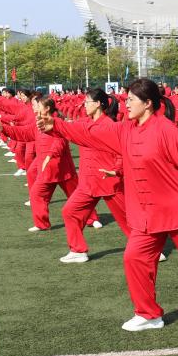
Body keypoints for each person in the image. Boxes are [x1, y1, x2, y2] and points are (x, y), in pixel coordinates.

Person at [38, 78, 178, 330]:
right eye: (127, 99)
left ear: (148, 103)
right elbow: (90, 134)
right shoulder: (125, 130)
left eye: (131, 100)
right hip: (145, 213)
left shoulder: (166, 130)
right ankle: (149, 314)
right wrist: (57, 126)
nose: (126, 104)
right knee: (134, 258)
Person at [0, 96, 97, 232]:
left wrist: (50, 155)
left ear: (47, 108)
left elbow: (60, 142)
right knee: (36, 195)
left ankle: (92, 218)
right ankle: (42, 224)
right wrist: (4, 129)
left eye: (38, 105)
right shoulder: (37, 123)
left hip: (63, 169)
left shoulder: (58, 122)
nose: (35, 108)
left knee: (78, 196)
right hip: (46, 171)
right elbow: (24, 133)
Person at [58, 89, 133, 263]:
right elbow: (66, 129)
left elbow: (121, 152)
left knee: (129, 220)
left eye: (87, 102)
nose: (84, 105)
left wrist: (117, 170)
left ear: (98, 104)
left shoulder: (110, 125)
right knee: (70, 211)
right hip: (88, 182)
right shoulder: (83, 123)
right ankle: (78, 251)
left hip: (109, 181)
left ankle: (151, 250)